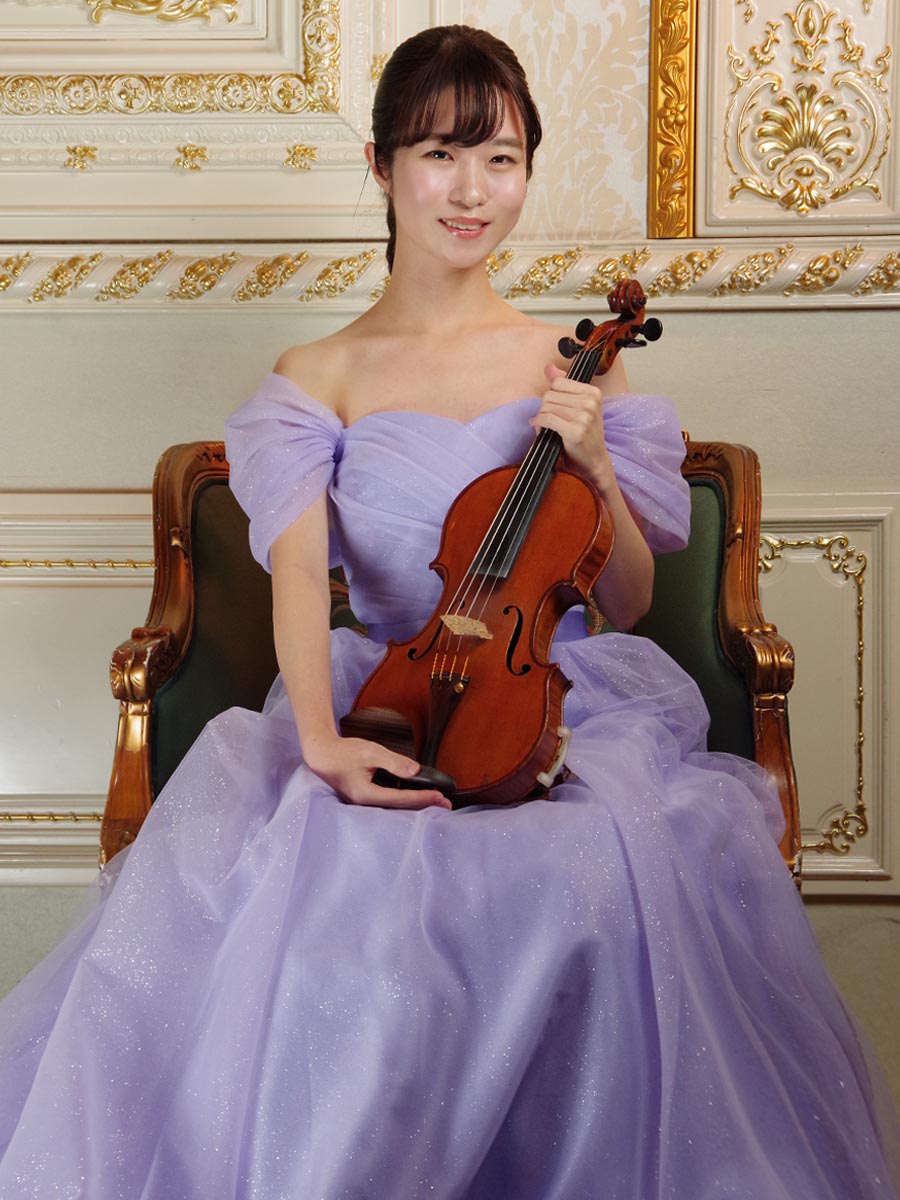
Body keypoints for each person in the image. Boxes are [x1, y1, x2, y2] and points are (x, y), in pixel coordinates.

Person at [0, 23, 898, 1200]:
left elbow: (626, 601)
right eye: (441, 154)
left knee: (590, 872)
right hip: (388, 698)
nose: (474, 192)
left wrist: (595, 466)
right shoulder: (318, 377)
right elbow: (295, 579)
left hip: (568, 710)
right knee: (349, 886)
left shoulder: (574, 365)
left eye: (503, 159)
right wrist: (321, 743)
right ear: (382, 167)